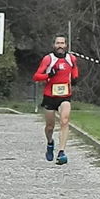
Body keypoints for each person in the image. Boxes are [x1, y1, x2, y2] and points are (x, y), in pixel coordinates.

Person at [32, 34, 79, 165]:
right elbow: (36, 76)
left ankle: (62, 152)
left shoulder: (71, 58)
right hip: (50, 96)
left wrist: (75, 78)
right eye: (58, 43)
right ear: (54, 45)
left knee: (64, 121)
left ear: (66, 45)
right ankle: (50, 142)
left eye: (62, 43)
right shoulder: (48, 59)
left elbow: (74, 70)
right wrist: (49, 74)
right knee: (50, 127)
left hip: (65, 96)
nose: (60, 46)